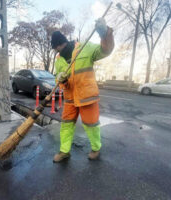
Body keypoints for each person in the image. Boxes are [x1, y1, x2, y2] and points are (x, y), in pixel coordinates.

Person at [51, 18, 114, 162]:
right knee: (66, 125)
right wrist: (61, 79)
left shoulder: (85, 47)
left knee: (91, 125)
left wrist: (105, 34)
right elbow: (58, 79)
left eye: (56, 48)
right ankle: (64, 151)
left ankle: (96, 148)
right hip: (70, 99)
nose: (56, 51)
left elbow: (106, 50)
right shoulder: (59, 60)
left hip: (87, 97)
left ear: (60, 44)